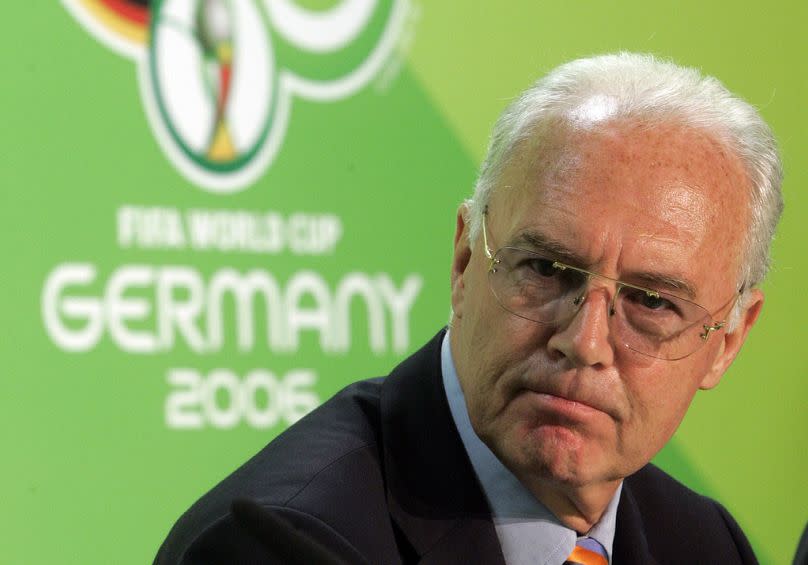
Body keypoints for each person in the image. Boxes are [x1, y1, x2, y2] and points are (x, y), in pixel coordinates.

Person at [154, 52, 783, 564]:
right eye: (546, 269)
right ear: (464, 262)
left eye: (650, 301)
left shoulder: (704, 543)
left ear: (726, 340)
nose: (586, 342)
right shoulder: (286, 545)